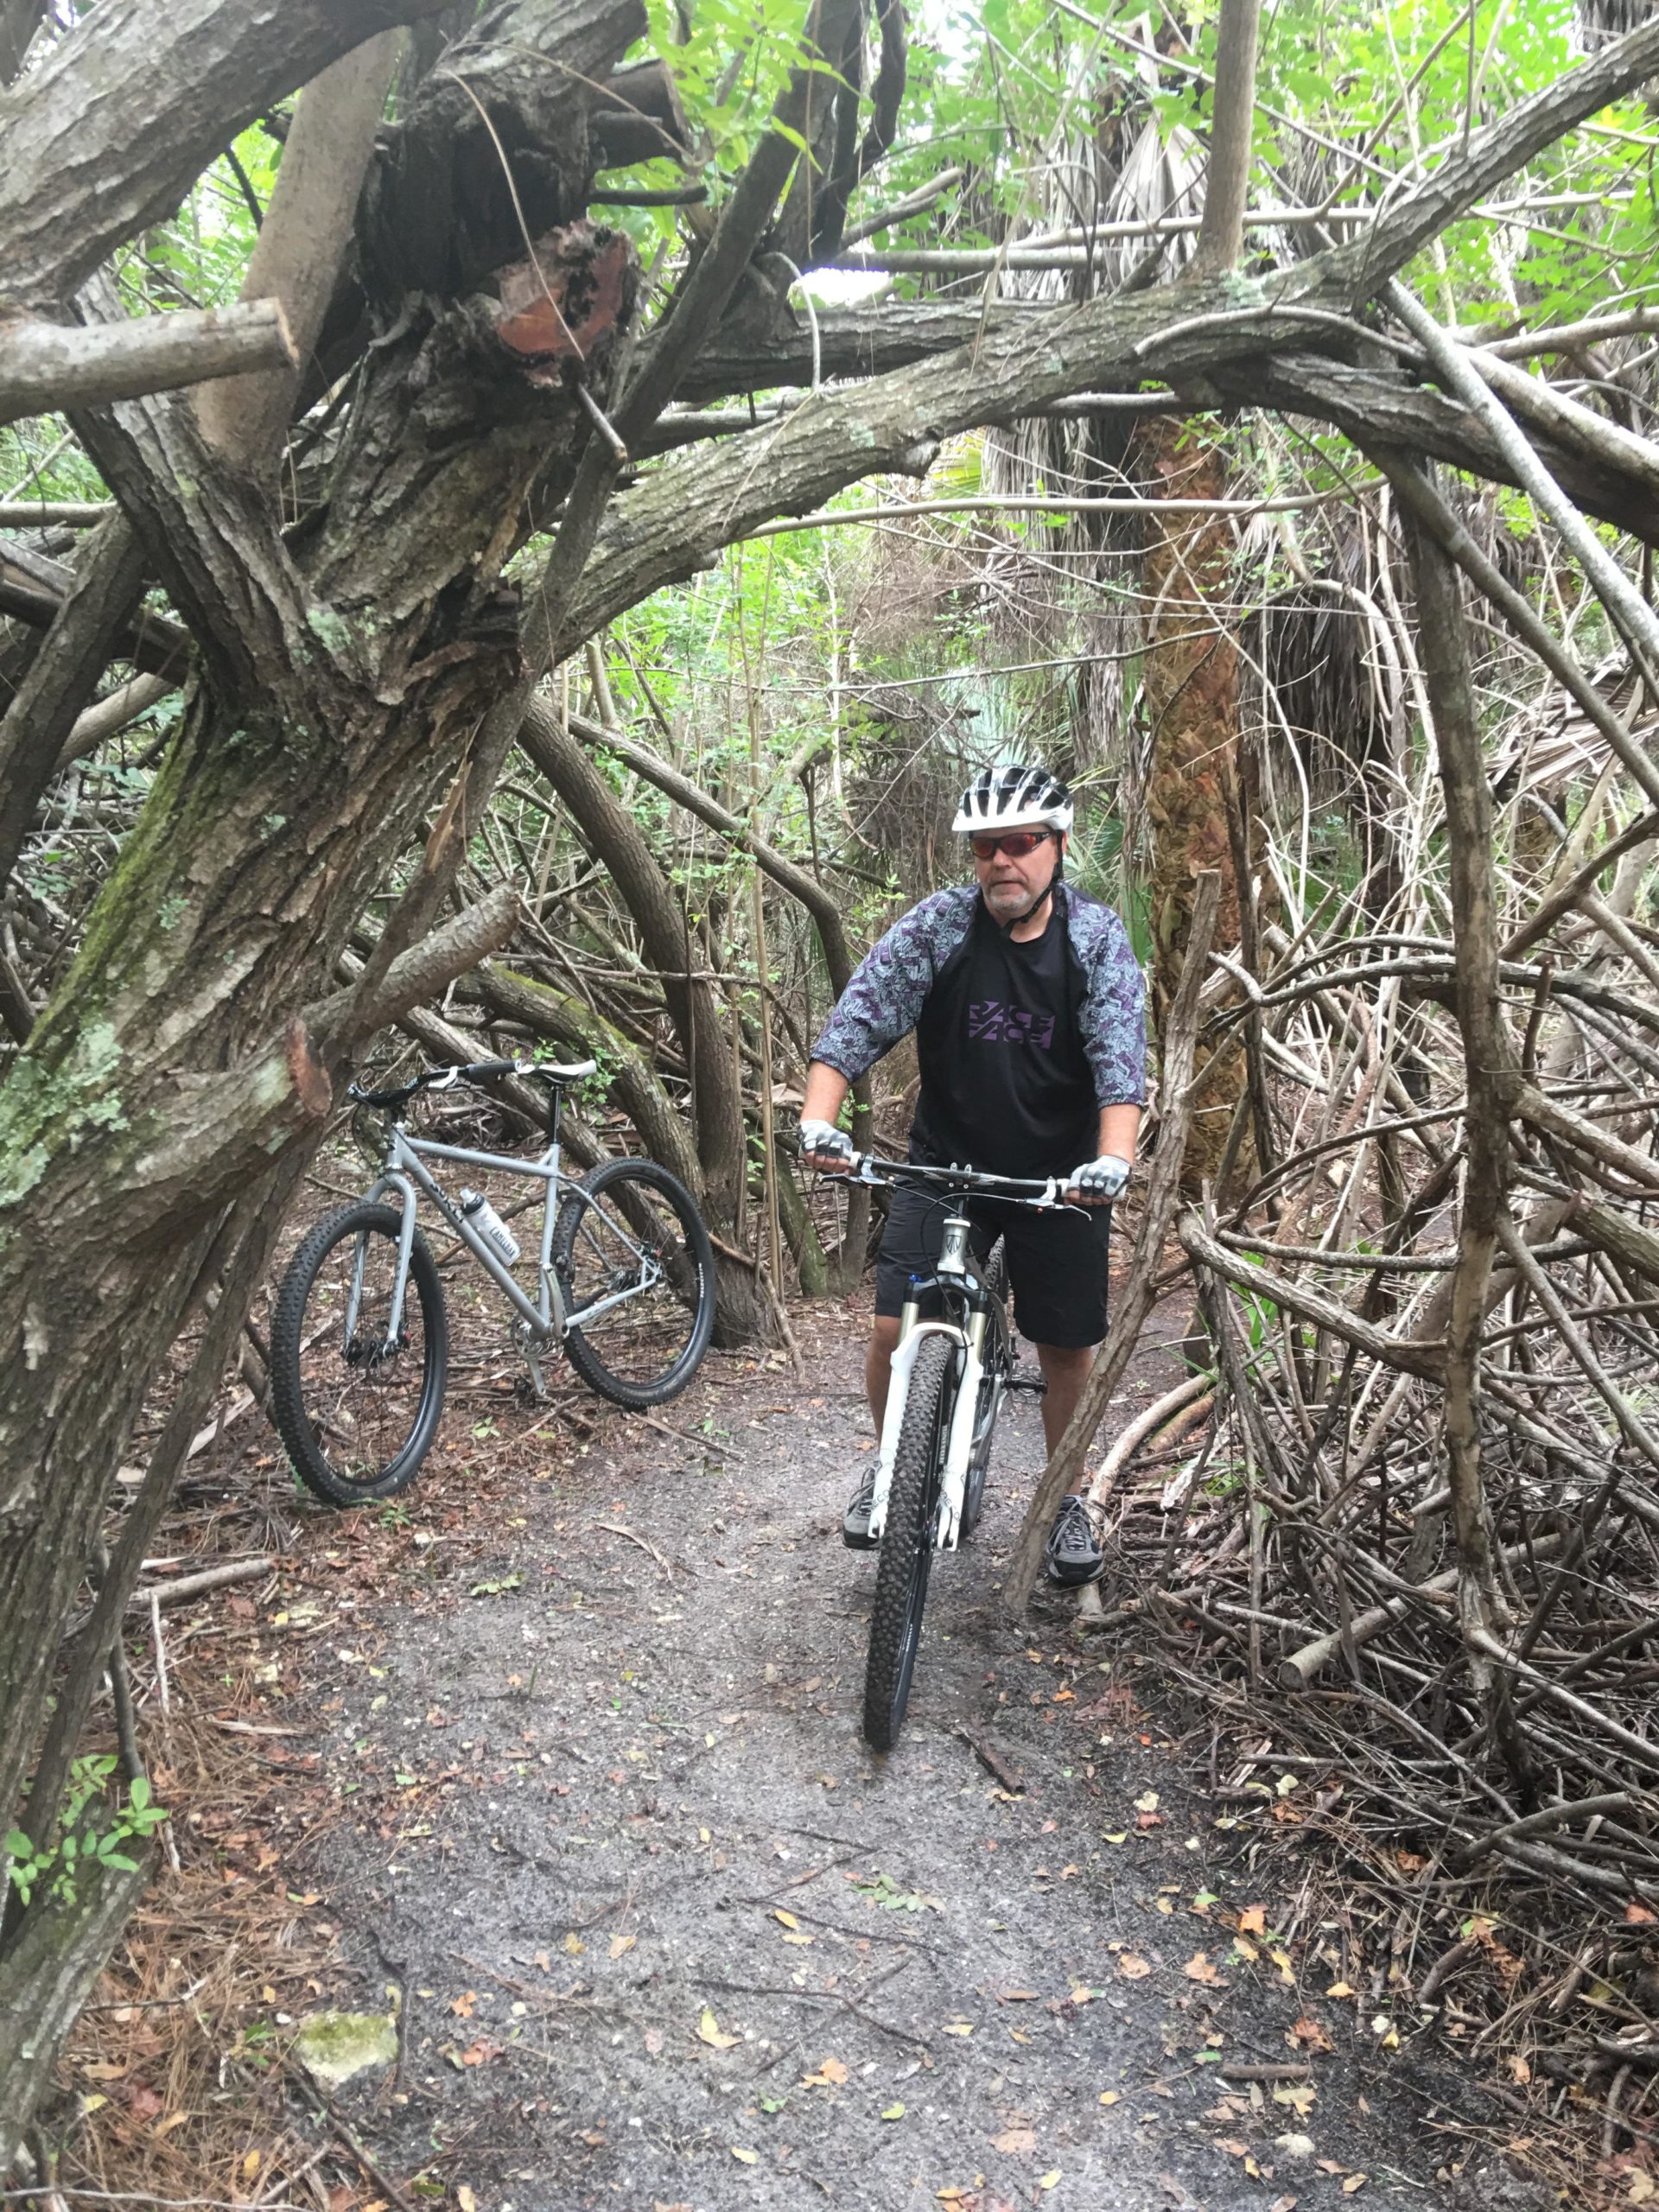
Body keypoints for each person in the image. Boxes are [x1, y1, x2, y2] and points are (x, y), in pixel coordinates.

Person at [798, 761, 1147, 1586]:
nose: (1003, 862)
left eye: (1021, 843)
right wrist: (819, 1116)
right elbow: (860, 1018)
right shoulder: (941, 928)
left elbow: (1119, 1057)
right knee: (892, 1330)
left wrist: (1112, 1159)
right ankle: (889, 1465)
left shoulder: (1092, 941)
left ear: (1056, 849)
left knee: (1064, 1348)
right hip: (946, 1161)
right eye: (987, 846)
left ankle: (1064, 1499)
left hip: (1061, 1178)